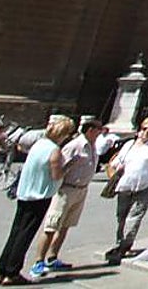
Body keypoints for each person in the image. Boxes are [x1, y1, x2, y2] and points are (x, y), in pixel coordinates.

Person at [0, 115, 74, 285]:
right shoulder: (54, 150)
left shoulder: (39, 144)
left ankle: (2, 270)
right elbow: (56, 175)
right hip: (39, 196)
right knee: (25, 234)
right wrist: (66, 169)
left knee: (16, 231)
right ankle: (12, 272)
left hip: (25, 194)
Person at [30, 117, 103, 276]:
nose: (101, 132)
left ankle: (52, 257)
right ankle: (38, 261)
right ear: (91, 130)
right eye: (99, 130)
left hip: (81, 190)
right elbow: (58, 167)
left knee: (66, 226)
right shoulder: (74, 146)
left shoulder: (92, 146)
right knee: (52, 225)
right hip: (66, 190)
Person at [105, 115, 148, 264]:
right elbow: (115, 162)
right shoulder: (129, 145)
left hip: (145, 186)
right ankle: (120, 240)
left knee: (134, 216)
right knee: (121, 216)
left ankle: (124, 246)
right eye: (144, 129)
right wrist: (116, 168)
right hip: (125, 185)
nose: (146, 132)